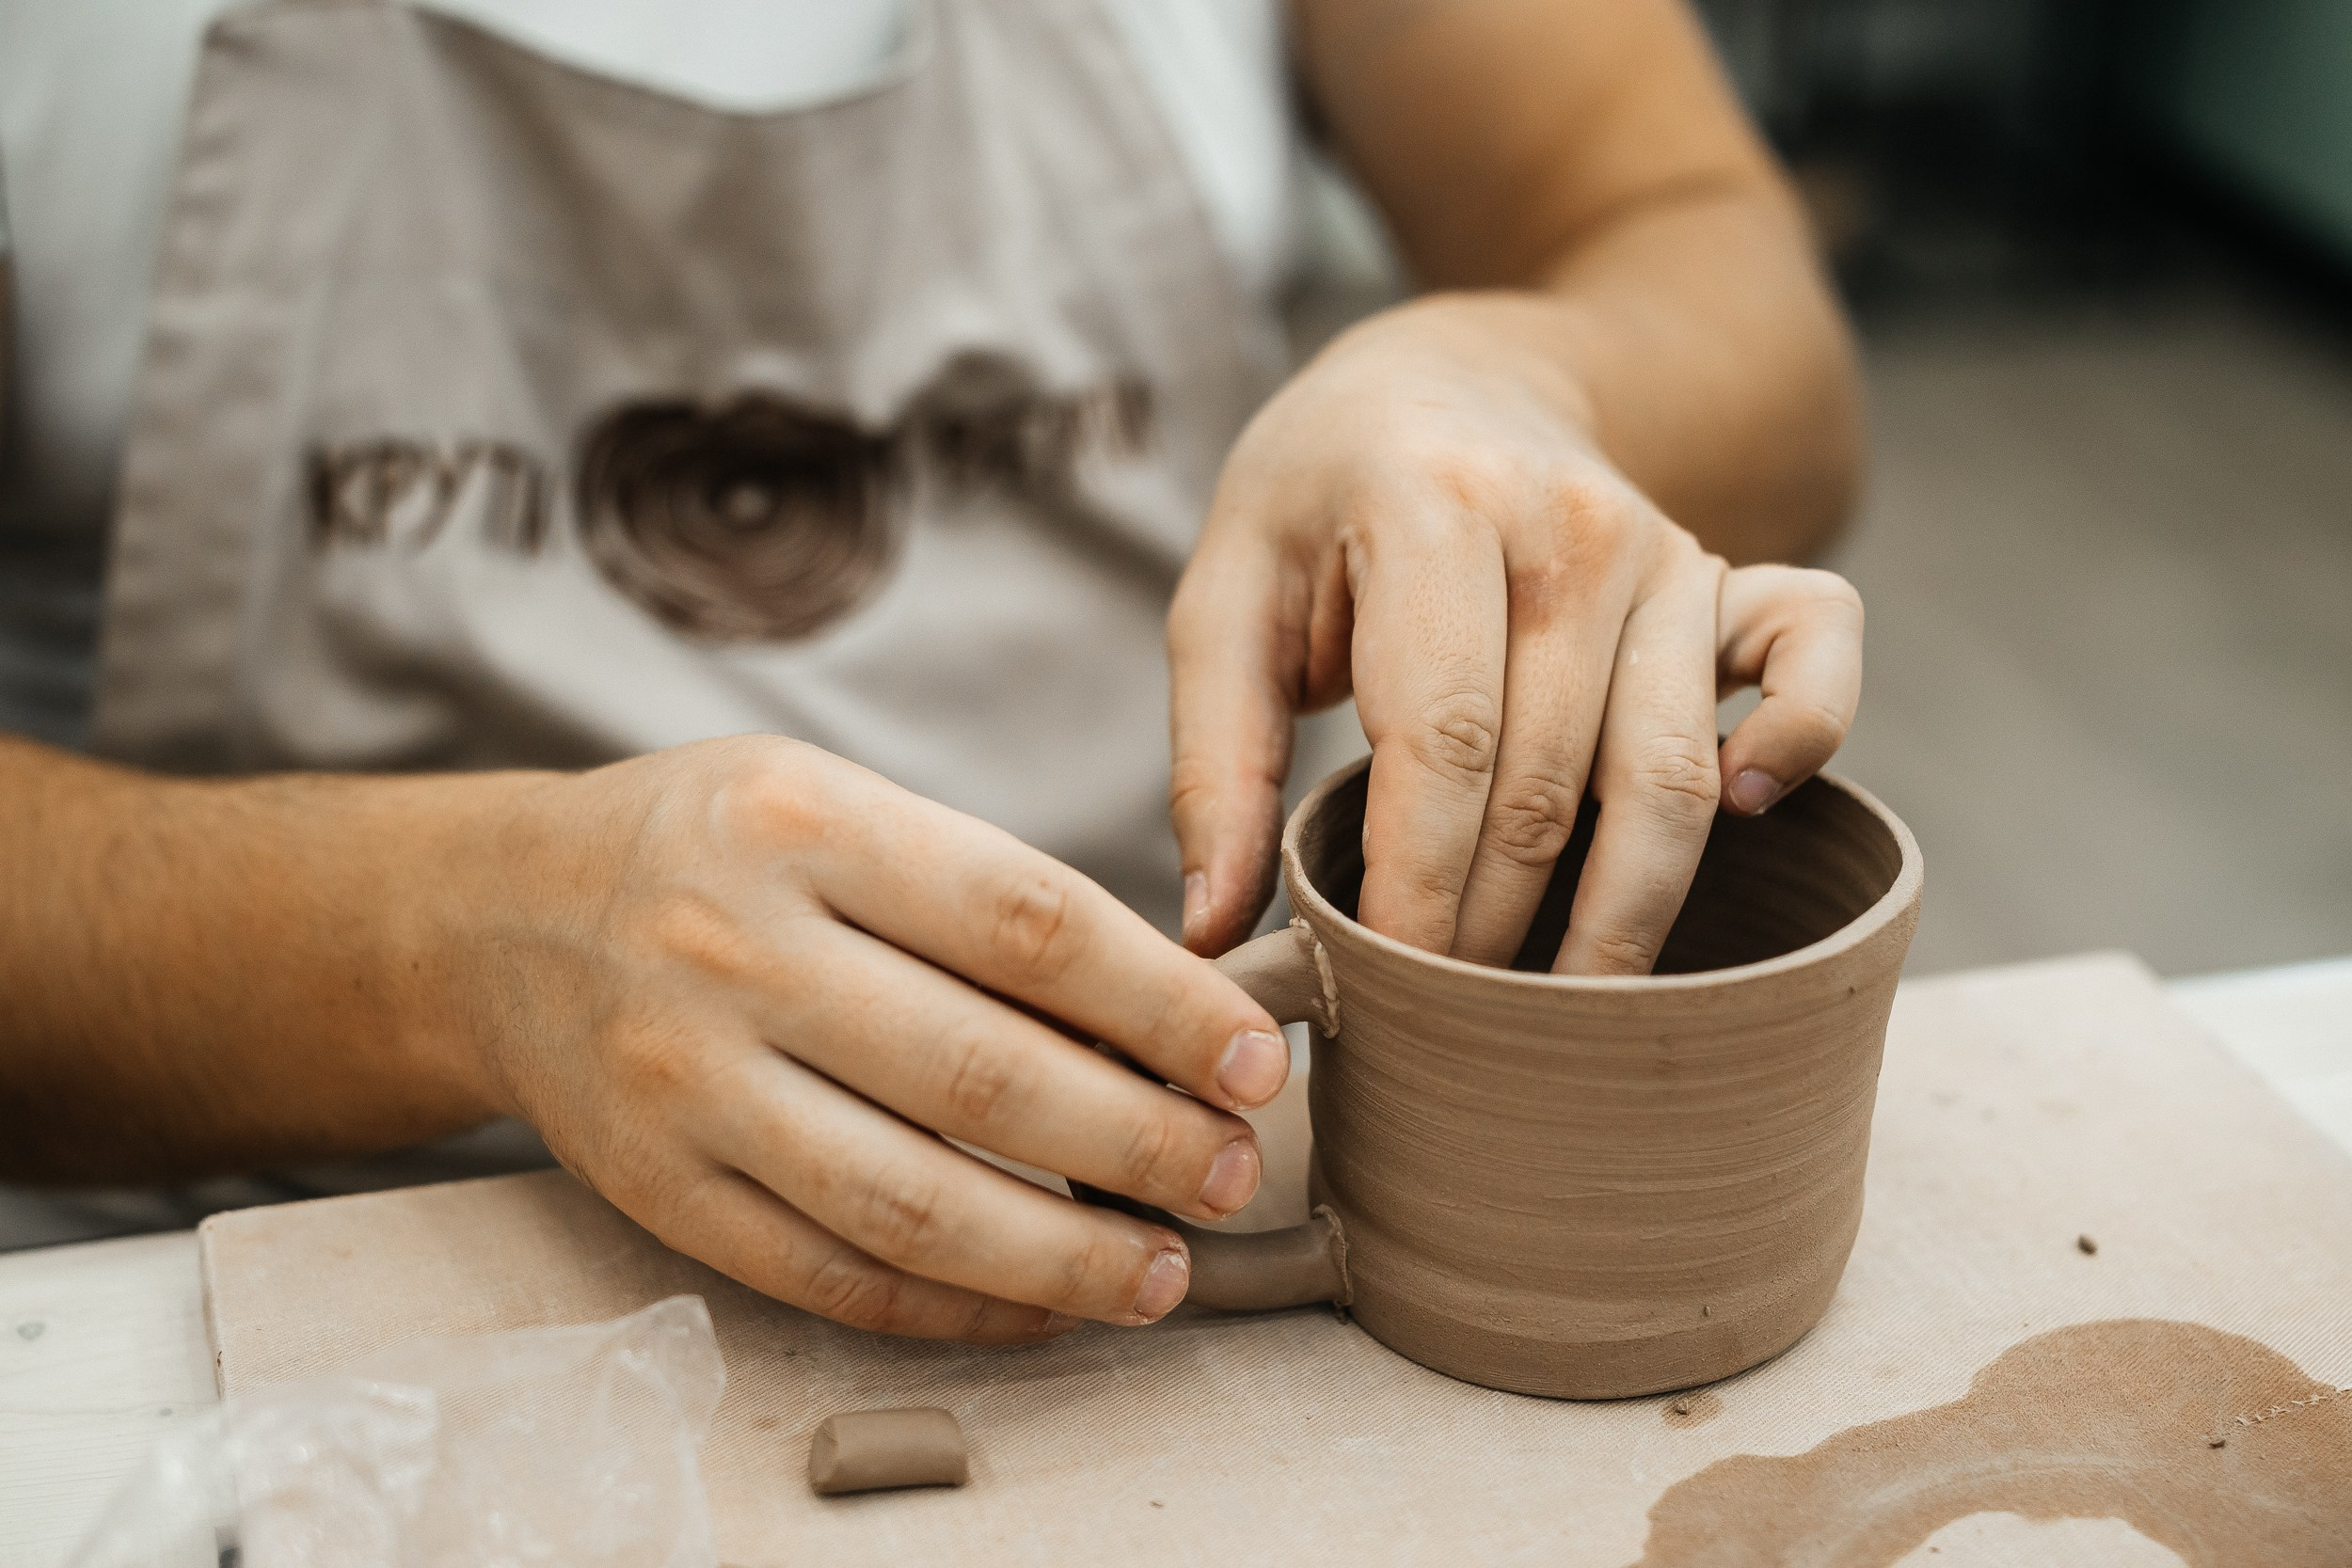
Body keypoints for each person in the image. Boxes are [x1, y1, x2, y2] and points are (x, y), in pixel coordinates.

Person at [0, 0, 1865, 1338]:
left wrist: (1517, 376)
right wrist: (452, 942)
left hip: (1160, 1170)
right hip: (302, 1270)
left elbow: (1715, 271)